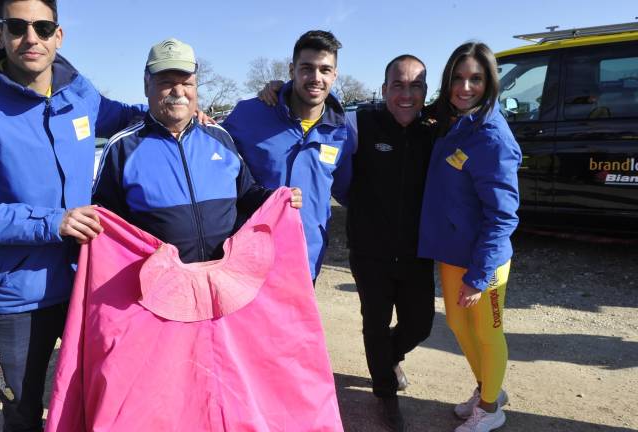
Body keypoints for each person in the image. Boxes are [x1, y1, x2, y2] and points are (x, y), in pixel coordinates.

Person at [0, 1, 149, 430]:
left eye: (43, 27)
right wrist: (53, 222)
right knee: (24, 411)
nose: (32, 38)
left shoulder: (78, 92)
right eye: (18, 26)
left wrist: (176, 107)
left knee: (99, 394)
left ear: (58, 35)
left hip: (88, 281)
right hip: (17, 298)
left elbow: (124, 117)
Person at [93, 37, 301, 263]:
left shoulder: (219, 136)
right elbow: (106, 227)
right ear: (146, 85)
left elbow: (246, 193)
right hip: (157, 288)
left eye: (187, 83)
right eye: (166, 82)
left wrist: (278, 198)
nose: (178, 91)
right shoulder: (122, 147)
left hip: (223, 281)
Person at [418, 42, 521, 432]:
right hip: (451, 252)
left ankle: (491, 406)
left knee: (487, 331)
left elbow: (502, 216)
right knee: (460, 328)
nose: (465, 87)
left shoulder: (491, 136)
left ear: (489, 81)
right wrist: (281, 88)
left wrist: (479, 275)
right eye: (458, 78)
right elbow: (397, 105)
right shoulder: (454, 120)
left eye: (475, 78)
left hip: (483, 260)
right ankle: (486, 389)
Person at [344, 55, 437, 432]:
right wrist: (277, 92)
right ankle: (385, 392)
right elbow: (314, 110)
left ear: (425, 92)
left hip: (417, 250)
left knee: (421, 324)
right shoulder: (361, 123)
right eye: (398, 85)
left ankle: (389, 357)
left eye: (415, 86)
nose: (406, 94)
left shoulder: (435, 129)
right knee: (376, 324)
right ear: (384, 90)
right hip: (370, 249)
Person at [223, 30, 352, 282]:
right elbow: (211, 156)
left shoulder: (342, 132)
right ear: (292, 70)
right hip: (250, 262)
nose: (316, 78)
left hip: (306, 262)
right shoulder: (250, 114)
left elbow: (346, 190)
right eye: (307, 68)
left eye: (325, 70)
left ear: (335, 75)